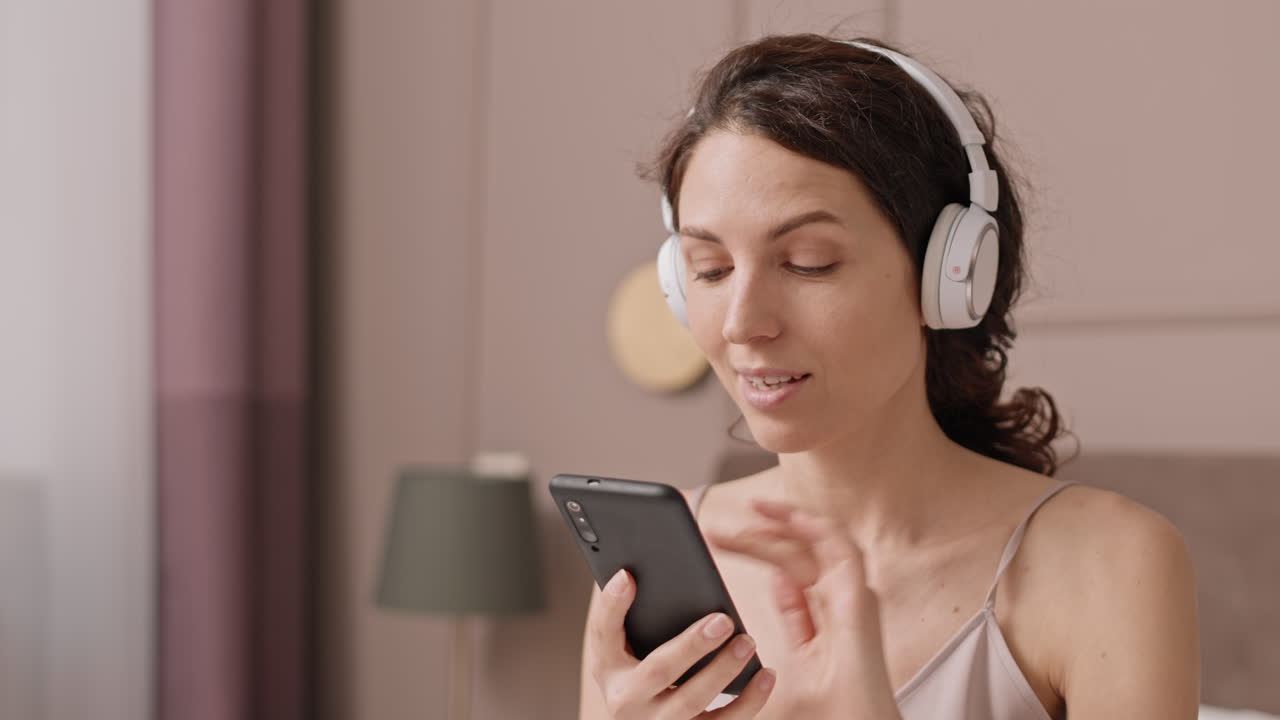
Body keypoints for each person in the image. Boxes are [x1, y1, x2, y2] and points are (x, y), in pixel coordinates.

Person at [577, 33, 1199, 720]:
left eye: (809, 262)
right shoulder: (647, 573)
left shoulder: (1108, 564)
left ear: (949, 276)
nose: (742, 323)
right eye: (710, 269)